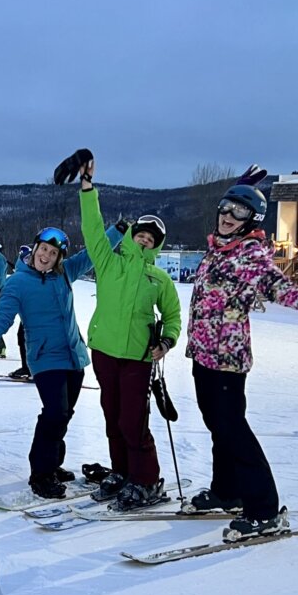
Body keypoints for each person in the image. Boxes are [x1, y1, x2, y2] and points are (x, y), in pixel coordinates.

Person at [184, 172, 298, 540]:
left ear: (252, 222)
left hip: (227, 359)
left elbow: (281, 289)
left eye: (238, 213)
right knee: (218, 427)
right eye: (225, 208)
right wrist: (241, 191)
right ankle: (228, 491)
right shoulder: (220, 247)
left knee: (234, 430)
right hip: (204, 355)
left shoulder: (251, 256)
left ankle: (264, 509)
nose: (227, 216)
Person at [0, 222, 123, 499]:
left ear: (59, 258)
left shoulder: (65, 272)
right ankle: (41, 472)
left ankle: (53, 464)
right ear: (35, 248)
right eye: (43, 249)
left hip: (74, 355)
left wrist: (118, 230)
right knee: (54, 413)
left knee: (64, 415)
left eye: (53, 253)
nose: (46, 256)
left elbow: (95, 252)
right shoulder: (18, 283)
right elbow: (2, 316)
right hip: (45, 359)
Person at [78, 160, 182, 509]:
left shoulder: (159, 279)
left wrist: (166, 342)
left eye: (151, 238)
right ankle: (122, 472)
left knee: (133, 420)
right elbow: (93, 230)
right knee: (112, 414)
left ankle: (147, 480)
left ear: (156, 245)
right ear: (131, 234)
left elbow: (173, 317)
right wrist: (88, 190)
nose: (144, 238)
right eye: (141, 233)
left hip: (138, 358)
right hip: (105, 352)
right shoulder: (109, 263)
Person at [8, 245, 33, 380]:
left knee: (28, 339)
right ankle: (27, 367)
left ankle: (33, 368)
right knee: (22, 337)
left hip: (35, 317)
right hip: (27, 316)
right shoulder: (21, 275)